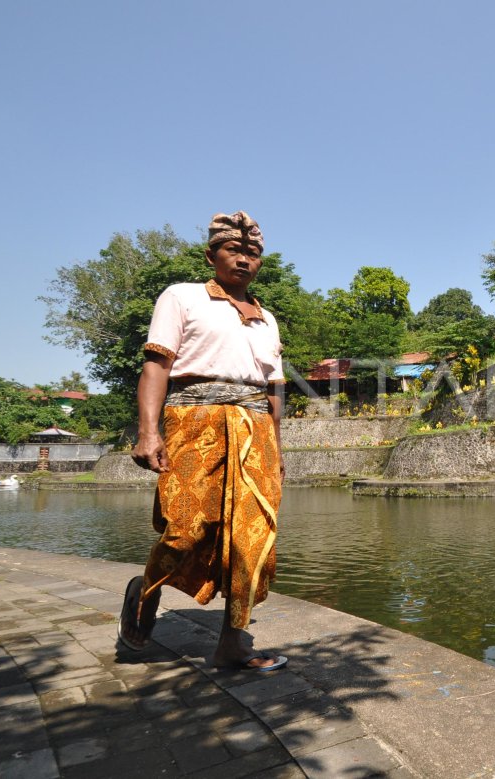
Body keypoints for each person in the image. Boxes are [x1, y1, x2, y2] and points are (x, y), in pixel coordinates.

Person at [120, 210, 288, 671]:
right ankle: (144, 594)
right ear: (211, 255)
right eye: (234, 250)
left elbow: (273, 391)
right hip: (194, 423)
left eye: (252, 253)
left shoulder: (267, 319)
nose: (243, 260)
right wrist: (149, 431)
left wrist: (277, 451)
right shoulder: (181, 297)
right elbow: (157, 366)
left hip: (255, 432)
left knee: (252, 539)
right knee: (185, 529)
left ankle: (233, 641)